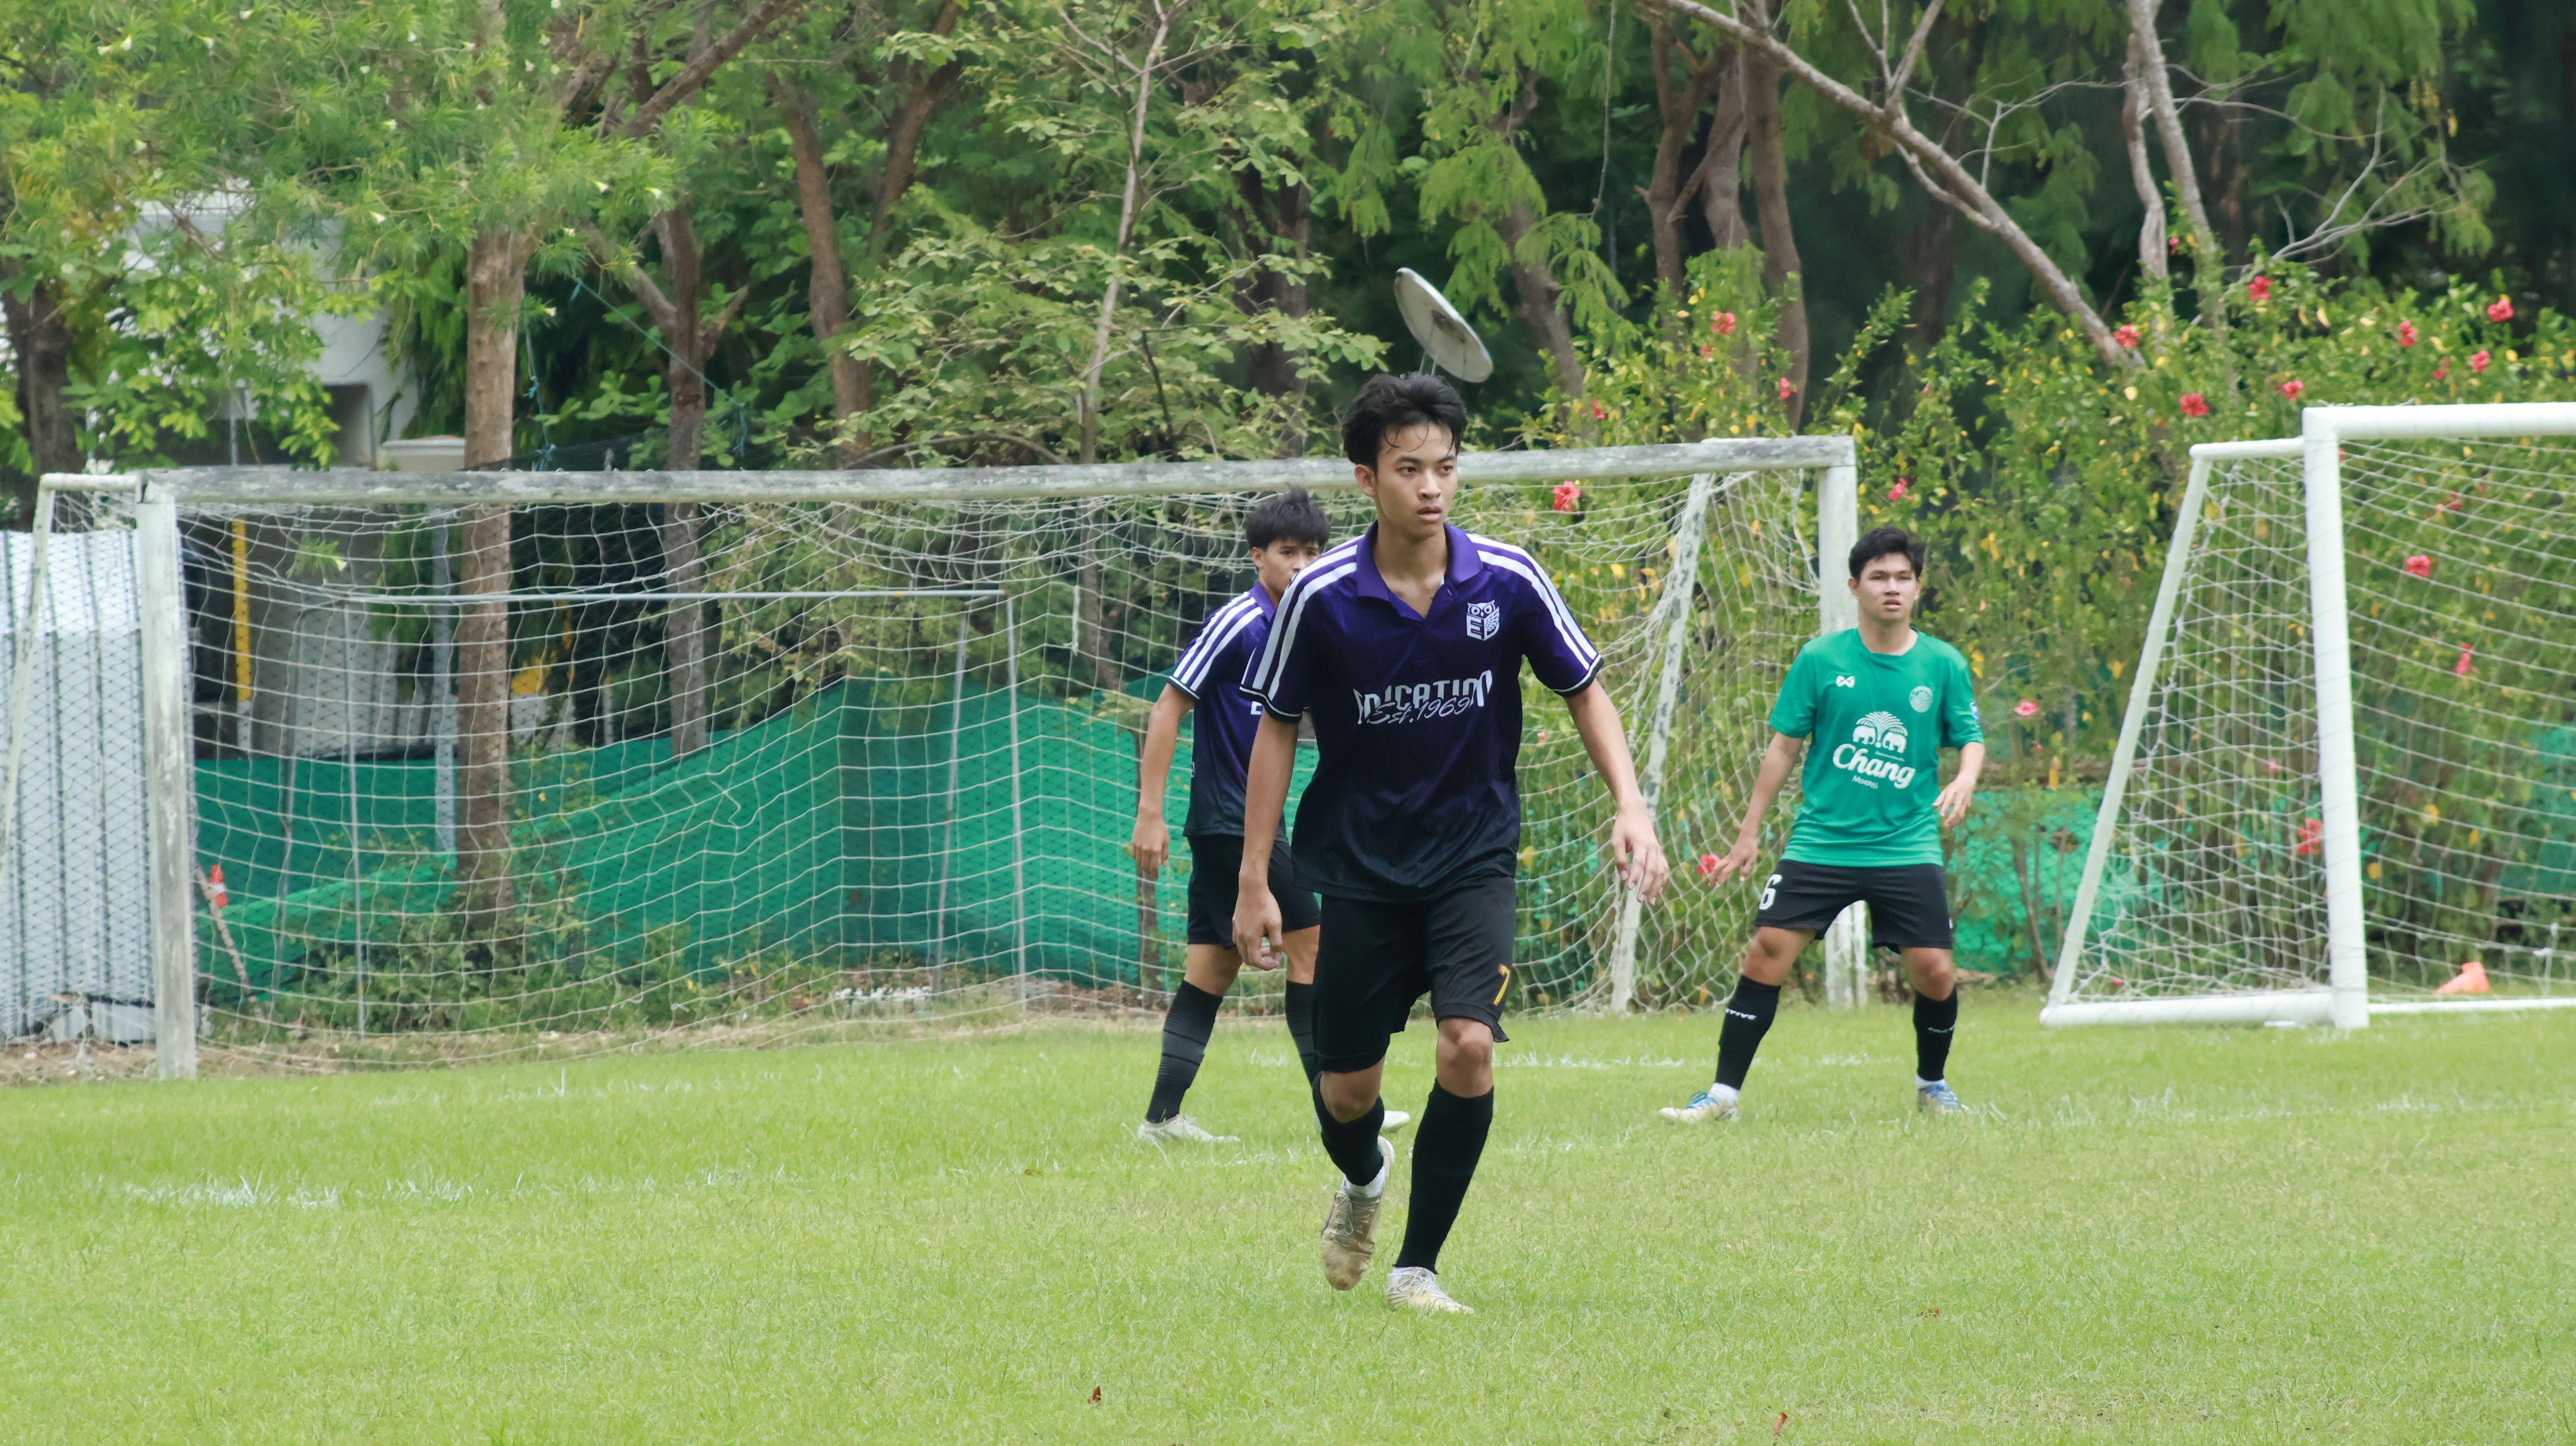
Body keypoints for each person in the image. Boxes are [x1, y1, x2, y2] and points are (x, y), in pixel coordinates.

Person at [1235, 373, 1670, 1314]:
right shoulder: (1320, 596)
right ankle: (1364, 1179)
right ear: (1367, 479)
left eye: (1445, 466)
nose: (1431, 486)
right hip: (1359, 865)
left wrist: (1630, 804)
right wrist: (1253, 878)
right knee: (1346, 1095)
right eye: (1408, 469)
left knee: (1469, 1044)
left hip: (1474, 855)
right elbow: (1276, 727)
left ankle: (1416, 1269)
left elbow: (1584, 688)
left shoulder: (1507, 578)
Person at [1662, 525, 1986, 1125]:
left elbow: (1970, 737)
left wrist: (1966, 777)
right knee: (1766, 953)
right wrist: (1749, 833)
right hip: (1823, 842)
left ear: (1918, 587)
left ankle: (1933, 1086)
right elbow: (1783, 749)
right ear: (1855, 587)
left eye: (1904, 577)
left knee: (1935, 971)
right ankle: (1723, 1096)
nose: (1892, 588)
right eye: (1879, 577)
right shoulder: (1820, 659)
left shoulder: (1943, 664)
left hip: (1905, 844)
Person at [1129, 489, 1410, 1142]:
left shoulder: (1313, 625)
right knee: (1315, 948)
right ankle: (1343, 1111)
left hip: (1251, 825)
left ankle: (1161, 1120)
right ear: (1258, 557)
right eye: (1288, 553)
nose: (1302, 565)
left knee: (1212, 967)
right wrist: (1150, 813)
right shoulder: (1239, 622)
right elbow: (1169, 707)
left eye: (1313, 553)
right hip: (1228, 821)